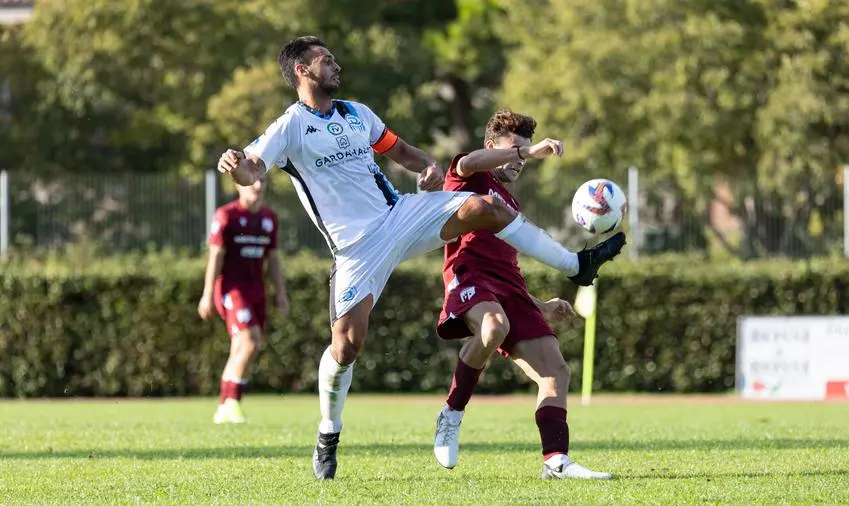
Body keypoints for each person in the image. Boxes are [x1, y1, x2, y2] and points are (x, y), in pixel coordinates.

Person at [216, 36, 626, 480]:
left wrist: (427, 166)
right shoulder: (290, 126)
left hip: (400, 216)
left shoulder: (357, 113)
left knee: (486, 208)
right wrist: (235, 164)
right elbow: (252, 169)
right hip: (356, 248)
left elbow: (401, 150)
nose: (335, 64)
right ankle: (328, 431)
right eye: (325, 60)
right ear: (301, 70)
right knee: (346, 347)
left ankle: (576, 265)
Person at [432, 109, 615, 480]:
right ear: (493, 146)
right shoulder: (470, 176)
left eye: (524, 151)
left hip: (509, 289)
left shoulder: (511, 206)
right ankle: (451, 413)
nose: (520, 160)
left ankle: (556, 460)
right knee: (493, 326)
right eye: (513, 149)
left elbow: (509, 273)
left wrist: (539, 304)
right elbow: (468, 160)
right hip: (469, 275)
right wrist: (526, 152)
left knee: (556, 372)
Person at [198, 174, 290, 424]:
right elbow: (215, 257)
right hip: (232, 289)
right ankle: (232, 401)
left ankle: (223, 405)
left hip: (256, 289)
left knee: (245, 347)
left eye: (262, 182)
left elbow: (273, 259)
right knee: (250, 341)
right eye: (251, 182)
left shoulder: (269, 218)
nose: (258, 186)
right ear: (238, 185)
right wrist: (207, 295)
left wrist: (280, 292)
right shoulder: (226, 215)